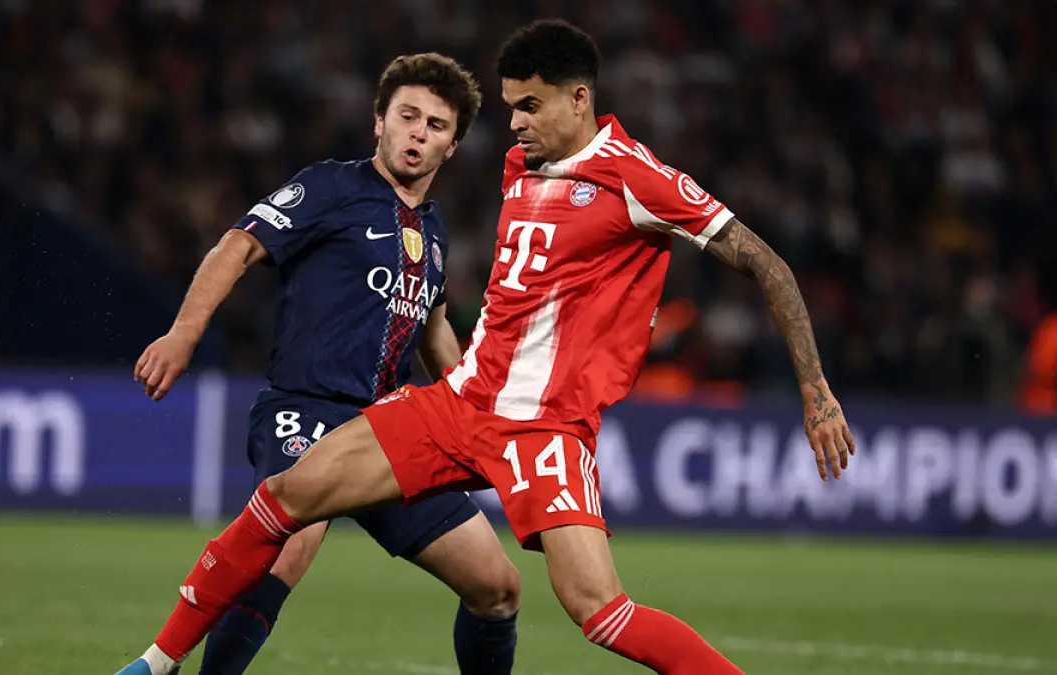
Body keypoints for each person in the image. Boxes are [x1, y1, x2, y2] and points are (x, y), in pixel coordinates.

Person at [118, 19, 857, 675]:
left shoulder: (638, 179)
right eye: (508, 107)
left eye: (528, 105)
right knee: (286, 503)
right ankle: (154, 664)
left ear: (578, 98)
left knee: (594, 610)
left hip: (544, 427)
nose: (515, 122)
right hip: (460, 402)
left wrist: (816, 392)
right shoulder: (511, 170)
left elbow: (769, 263)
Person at [131, 53, 520, 675]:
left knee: (497, 587)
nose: (418, 132)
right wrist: (183, 333)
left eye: (436, 125)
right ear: (378, 122)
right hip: (305, 409)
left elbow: (437, 332)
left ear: (452, 146)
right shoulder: (330, 188)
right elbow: (238, 245)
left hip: (392, 431)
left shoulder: (438, 231)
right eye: (407, 116)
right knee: (287, 543)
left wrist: (482, 419)